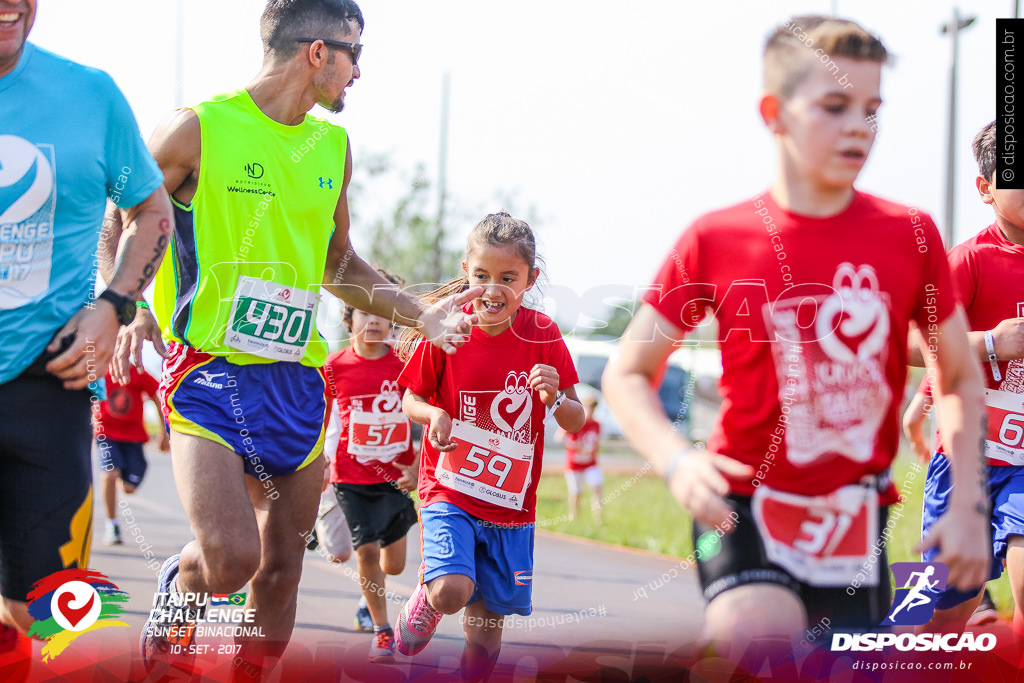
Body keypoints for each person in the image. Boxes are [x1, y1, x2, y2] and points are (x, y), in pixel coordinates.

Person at [97, 1, 479, 677]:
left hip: (296, 386)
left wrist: (422, 315)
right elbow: (120, 219)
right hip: (208, 372)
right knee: (230, 558)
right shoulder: (198, 130)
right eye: (355, 55)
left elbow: (339, 264)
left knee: (279, 572)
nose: (359, 72)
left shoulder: (332, 146)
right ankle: (180, 588)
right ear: (317, 52)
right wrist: (126, 302)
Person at [601, 15, 989, 667]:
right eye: (835, 106)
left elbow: (957, 375)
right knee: (761, 639)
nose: (859, 126)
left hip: (854, 517)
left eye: (872, 109)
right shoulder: (717, 238)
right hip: (740, 506)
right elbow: (627, 372)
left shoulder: (912, 235)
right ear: (774, 112)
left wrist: (968, 501)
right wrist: (676, 459)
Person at [0, 0, 171, 641]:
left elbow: (150, 212)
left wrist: (114, 306)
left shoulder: (89, 97)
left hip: (51, 377)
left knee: (40, 614)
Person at [394, 212, 585, 679]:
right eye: (481, 276)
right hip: (451, 489)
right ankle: (425, 599)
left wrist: (555, 395)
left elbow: (576, 417)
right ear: (466, 272)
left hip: (509, 506)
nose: (492, 289)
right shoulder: (448, 329)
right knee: (451, 590)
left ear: (530, 279)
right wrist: (434, 414)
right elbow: (410, 398)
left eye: (508, 278)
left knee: (485, 632)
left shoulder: (543, 334)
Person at [912, 120, 1024, 635]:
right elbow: (915, 343)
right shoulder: (971, 261)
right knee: (946, 615)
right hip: (967, 462)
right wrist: (991, 344)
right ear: (985, 188)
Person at [323, 266, 418, 662]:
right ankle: (381, 630)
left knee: (393, 565)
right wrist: (318, 466)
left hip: (396, 476)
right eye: (365, 312)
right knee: (363, 552)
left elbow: (426, 411)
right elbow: (319, 420)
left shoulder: (405, 363)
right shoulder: (334, 366)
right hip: (350, 475)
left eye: (383, 312)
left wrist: (419, 466)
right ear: (350, 318)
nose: (375, 320)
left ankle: (374, 597)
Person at [94, 367, 169, 545]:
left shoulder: (139, 373)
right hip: (106, 433)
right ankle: (112, 525)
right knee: (110, 474)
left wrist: (163, 433)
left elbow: (157, 399)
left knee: (129, 488)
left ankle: (121, 476)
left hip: (133, 437)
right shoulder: (101, 369)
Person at [558, 394, 603, 523]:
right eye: (588, 407)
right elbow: (559, 437)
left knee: (597, 488)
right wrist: (573, 445)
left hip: (590, 463)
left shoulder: (596, 425)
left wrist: (594, 454)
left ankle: (598, 518)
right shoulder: (576, 421)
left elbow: (597, 442)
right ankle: (574, 518)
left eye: (593, 408)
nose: (591, 411)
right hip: (574, 464)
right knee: (576, 493)